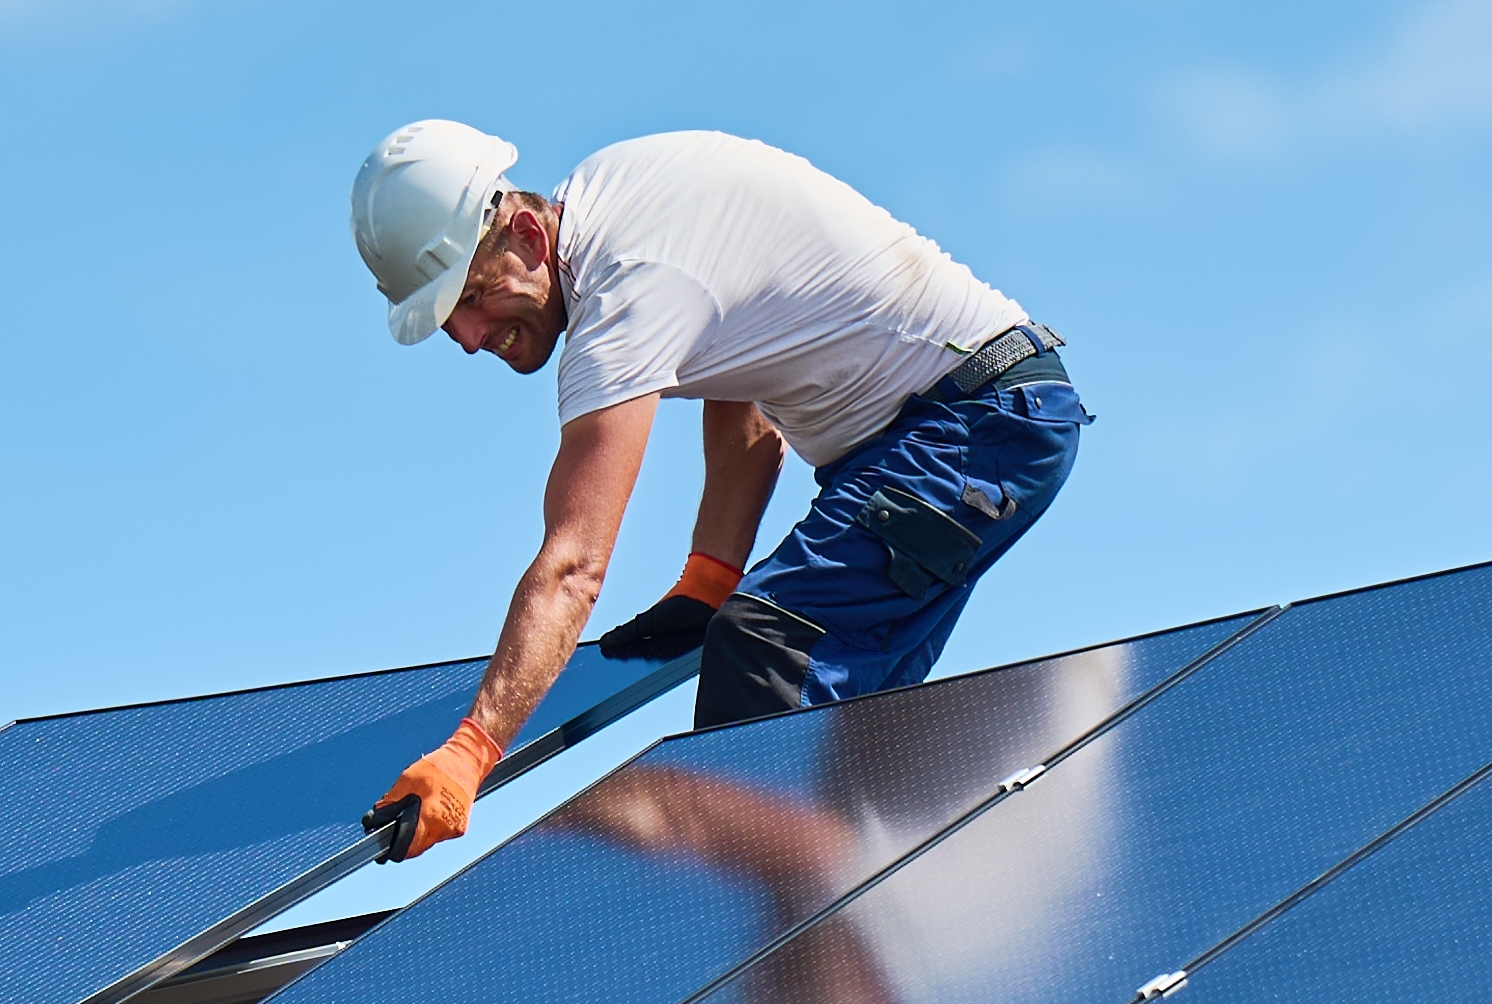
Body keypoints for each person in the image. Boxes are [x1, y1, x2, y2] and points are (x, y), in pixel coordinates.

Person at [341, 123, 1079, 853]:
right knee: (837, 749)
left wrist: (472, 750)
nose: (469, 337)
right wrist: (709, 580)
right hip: (960, 432)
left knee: (766, 647)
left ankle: (747, 941)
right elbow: (750, 416)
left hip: (972, 427)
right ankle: (845, 916)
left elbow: (574, 565)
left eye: (472, 297)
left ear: (530, 237)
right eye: (447, 323)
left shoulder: (624, 291)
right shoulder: (617, 199)